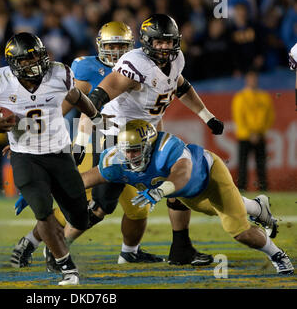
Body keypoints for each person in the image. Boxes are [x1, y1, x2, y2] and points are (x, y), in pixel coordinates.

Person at [11, 20, 212, 270]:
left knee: (137, 208)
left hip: (134, 143)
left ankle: (130, 252)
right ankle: (33, 243)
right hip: (95, 141)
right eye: (111, 46)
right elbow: (64, 108)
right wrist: (46, 139)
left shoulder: (144, 65)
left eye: (122, 46)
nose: (116, 52)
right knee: (82, 203)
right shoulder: (88, 68)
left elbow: (154, 113)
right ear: (100, 46)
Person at [78, 14, 224, 266]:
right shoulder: (135, 63)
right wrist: (80, 140)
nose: (165, 48)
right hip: (121, 139)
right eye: (159, 43)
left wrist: (207, 116)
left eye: (169, 42)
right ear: (146, 43)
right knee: (101, 207)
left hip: (149, 138)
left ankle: (178, 249)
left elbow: (181, 87)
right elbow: (99, 96)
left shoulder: (176, 59)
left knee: (176, 184)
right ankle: (55, 242)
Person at [0, 32, 104, 286]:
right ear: (14, 63)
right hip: (24, 156)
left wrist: (95, 117)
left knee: (80, 218)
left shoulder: (59, 73)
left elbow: (75, 98)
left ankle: (53, 245)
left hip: (59, 153)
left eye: (37, 56)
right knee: (43, 211)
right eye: (27, 60)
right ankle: (67, 267)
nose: (35, 63)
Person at [79, 119, 293, 275]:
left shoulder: (167, 148)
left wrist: (159, 191)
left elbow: (182, 176)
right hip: (189, 194)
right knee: (217, 208)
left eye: (135, 151)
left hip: (210, 176)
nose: (130, 156)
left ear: (148, 147)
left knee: (238, 231)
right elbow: (84, 180)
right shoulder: (115, 161)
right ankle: (258, 207)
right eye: (127, 150)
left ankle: (278, 255)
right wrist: (57, 188)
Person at [232, 70, 274, 192]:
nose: (253, 81)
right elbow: (238, 117)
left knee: (261, 165)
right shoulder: (240, 97)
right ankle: (241, 189)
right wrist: (251, 133)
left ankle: (263, 188)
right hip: (245, 136)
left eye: (254, 79)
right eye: (251, 79)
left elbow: (270, 116)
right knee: (243, 164)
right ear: (247, 80)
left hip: (260, 135)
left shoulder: (264, 96)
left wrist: (261, 131)